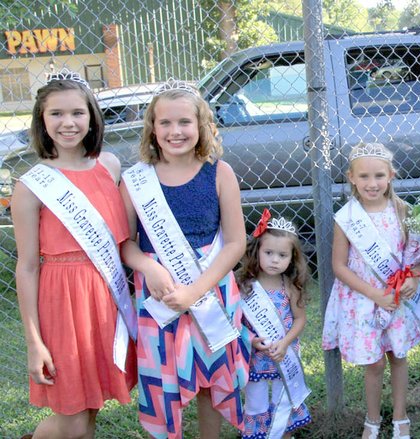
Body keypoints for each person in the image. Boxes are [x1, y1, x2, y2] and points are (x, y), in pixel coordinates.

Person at [120, 80, 250, 439]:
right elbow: (126, 245)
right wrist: (149, 266)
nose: (175, 131)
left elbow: (236, 242)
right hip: (159, 294)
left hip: (211, 290)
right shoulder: (135, 181)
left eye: (184, 123)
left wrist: (195, 291)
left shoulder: (219, 173)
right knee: (165, 383)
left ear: (202, 126)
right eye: (165, 123)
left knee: (213, 379)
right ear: (152, 128)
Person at [12, 70, 137, 438]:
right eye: (56, 114)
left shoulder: (109, 166)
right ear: (42, 120)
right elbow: (28, 267)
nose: (68, 123)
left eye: (77, 113)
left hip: (103, 300)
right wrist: (35, 342)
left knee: (90, 412)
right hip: (62, 304)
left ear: (92, 116)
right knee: (72, 418)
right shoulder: (31, 186)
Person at [322, 143, 420, 439]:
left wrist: (414, 278)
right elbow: (339, 266)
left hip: (396, 298)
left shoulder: (403, 211)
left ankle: (401, 417)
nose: (372, 183)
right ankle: (373, 418)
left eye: (379, 175)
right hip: (363, 300)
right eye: (364, 176)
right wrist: (375, 294)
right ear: (351, 177)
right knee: (375, 362)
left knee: (398, 357)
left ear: (391, 175)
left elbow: (414, 255)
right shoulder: (347, 218)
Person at [236, 210, 311, 439]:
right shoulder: (244, 286)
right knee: (256, 402)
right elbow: (235, 322)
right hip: (255, 357)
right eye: (268, 253)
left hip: (284, 354)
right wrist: (251, 340)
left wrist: (286, 342)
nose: (275, 260)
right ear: (257, 250)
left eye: (282, 255)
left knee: (283, 400)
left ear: (292, 258)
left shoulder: (290, 286)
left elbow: (300, 319)